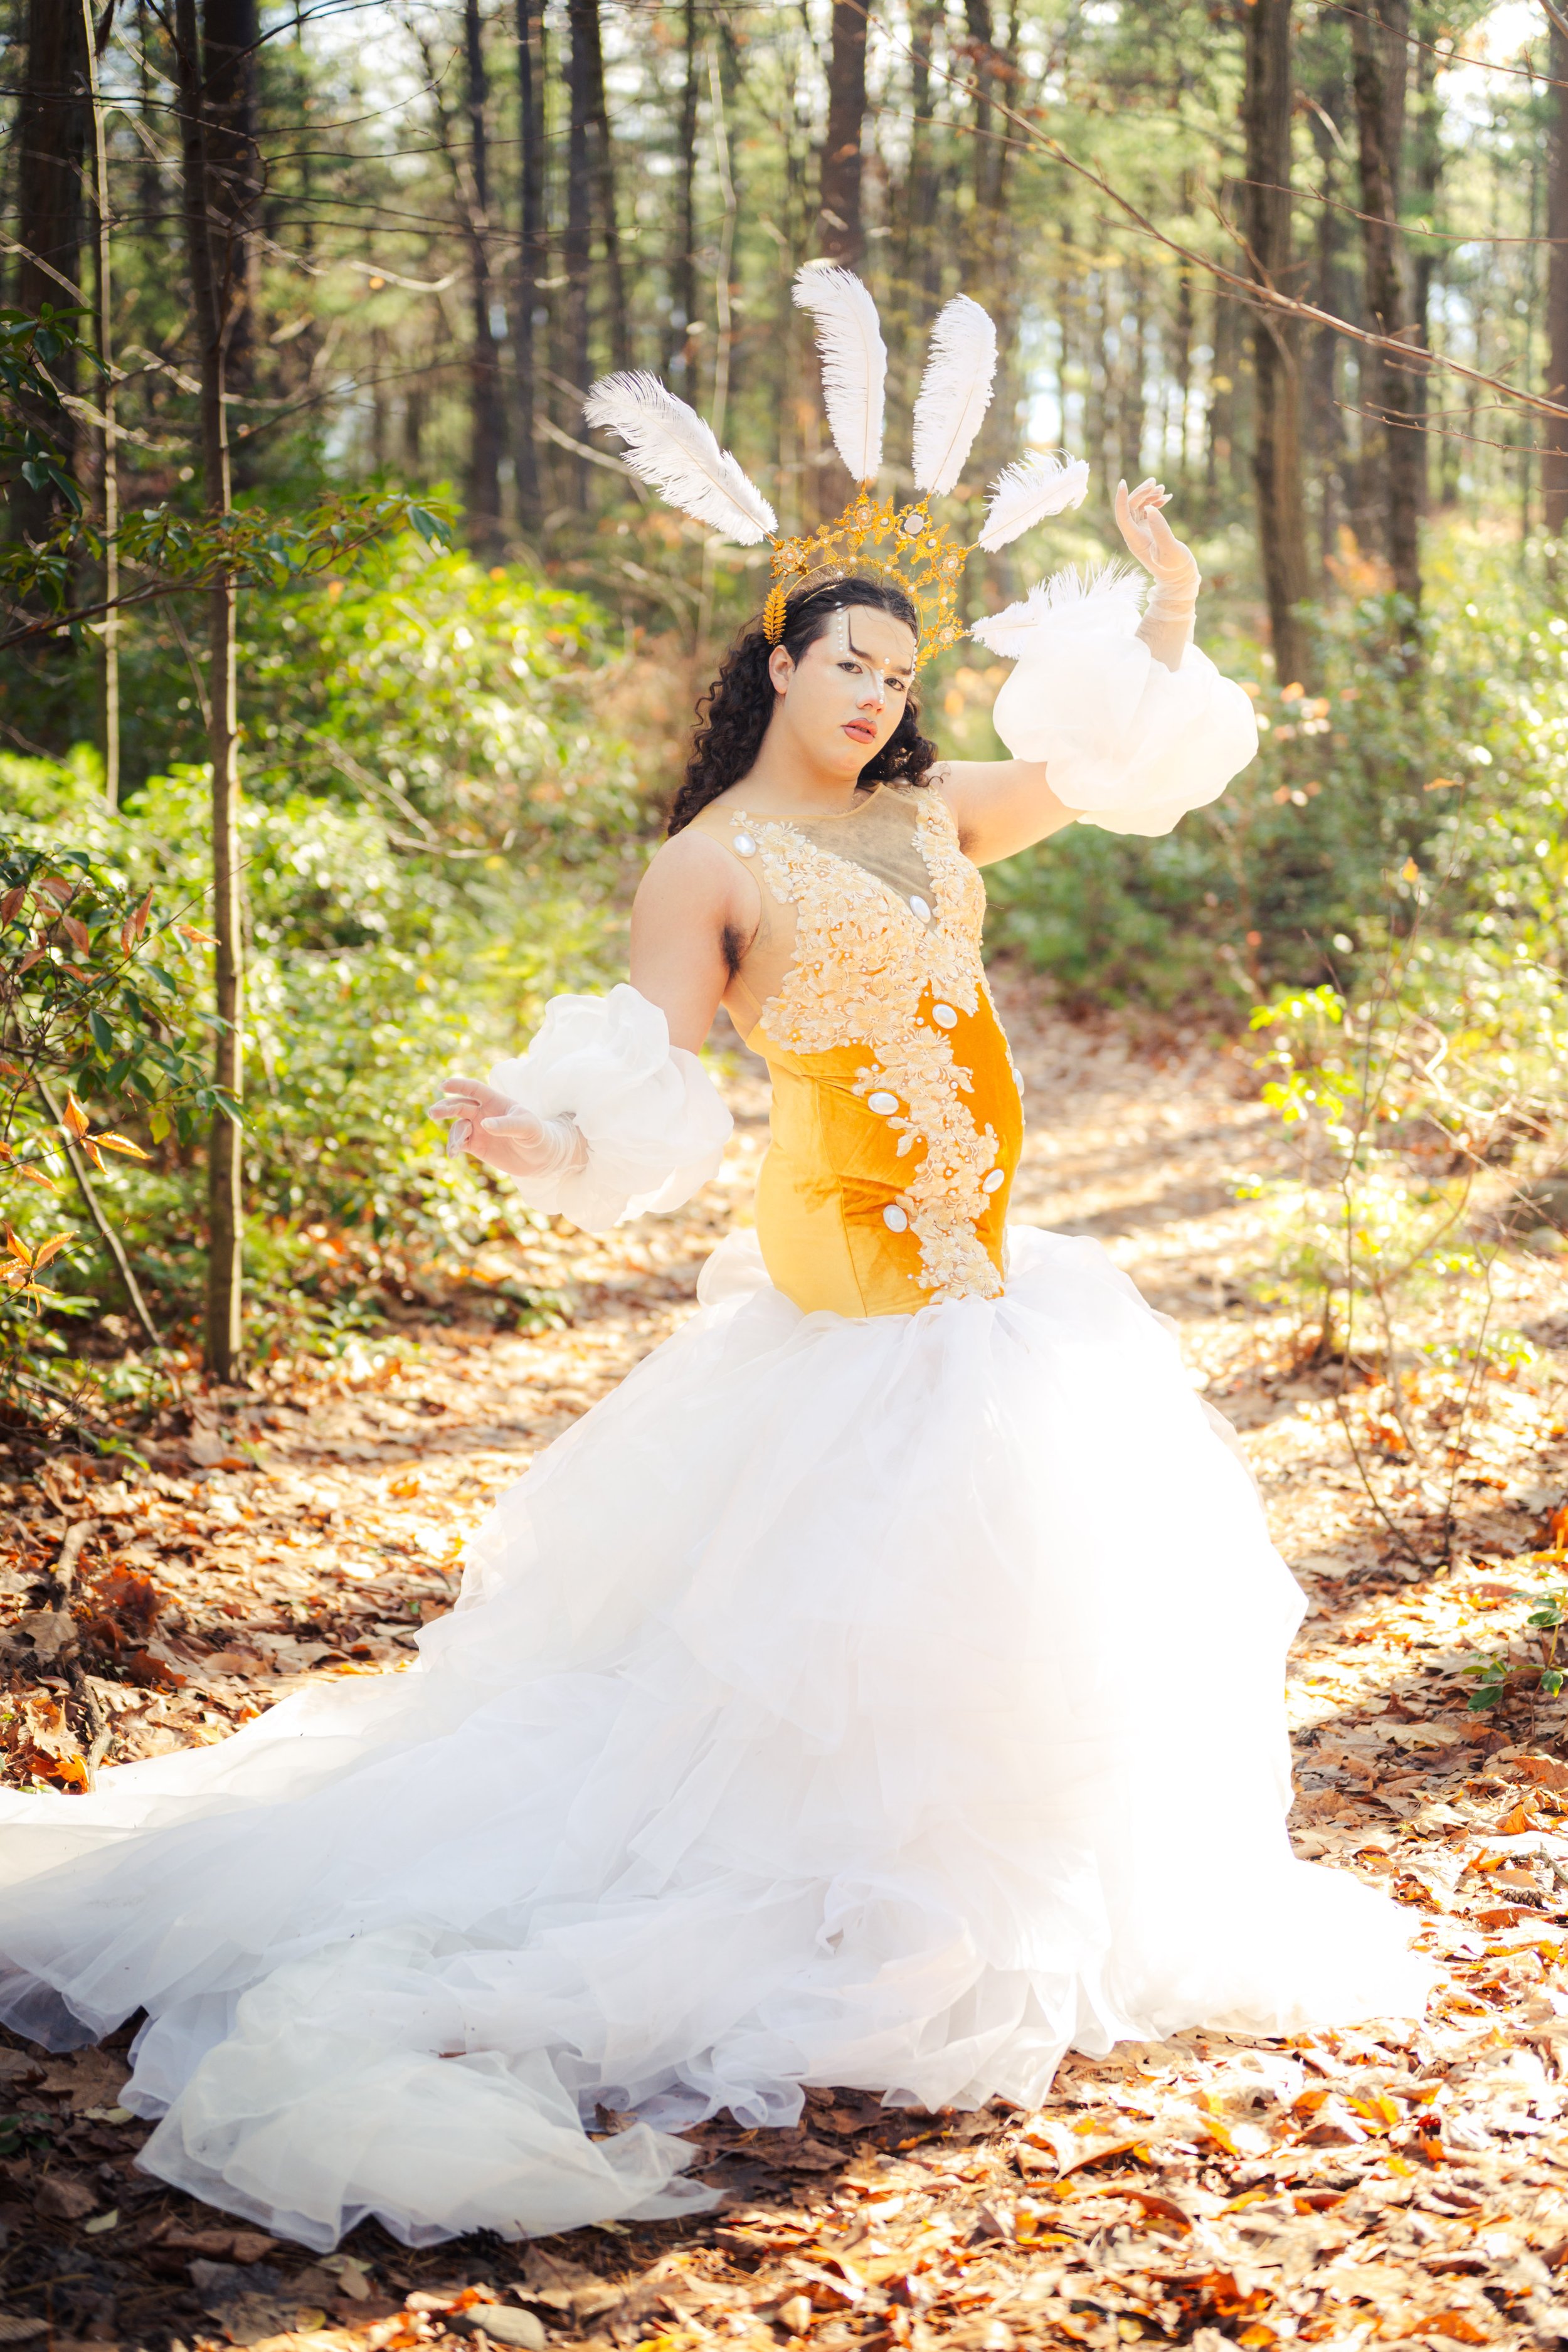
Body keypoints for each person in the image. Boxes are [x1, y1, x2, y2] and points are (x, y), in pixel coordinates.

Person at [0, 285, 1429, 2255]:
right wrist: (547, 1134)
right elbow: (654, 1065)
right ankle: (796, 1891)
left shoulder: (935, 816)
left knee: (1011, 1624)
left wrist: (1165, 619)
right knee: (790, 1647)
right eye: (847, 663)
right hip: (842, 1293)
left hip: (991, 1298)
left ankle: (927, 1888)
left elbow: (1112, 775)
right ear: (779, 660)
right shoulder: (714, 867)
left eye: (895, 673)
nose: (873, 696)